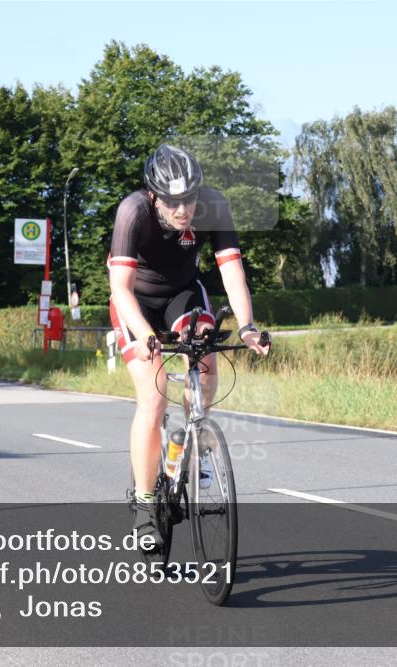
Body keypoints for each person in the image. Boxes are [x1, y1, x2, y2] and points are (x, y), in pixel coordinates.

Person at [108, 144, 270, 553]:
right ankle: (145, 508)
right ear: (154, 196)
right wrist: (145, 335)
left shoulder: (214, 205)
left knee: (208, 360)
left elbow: (231, 269)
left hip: (183, 293)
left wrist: (248, 326)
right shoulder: (133, 212)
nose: (184, 210)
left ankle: (192, 435)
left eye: (190, 200)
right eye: (174, 202)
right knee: (154, 394)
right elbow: (120, 290)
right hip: (136, 302)